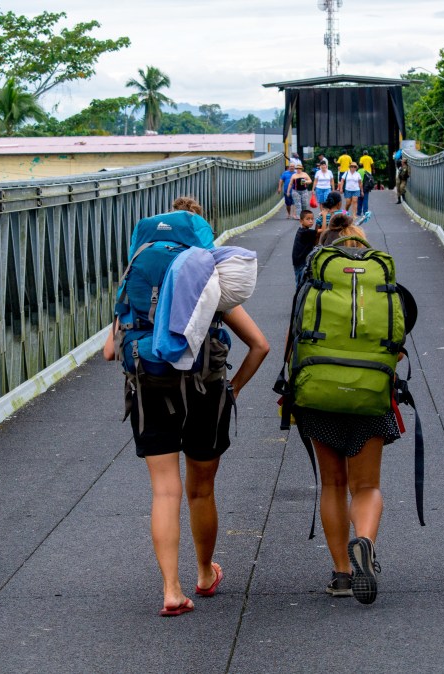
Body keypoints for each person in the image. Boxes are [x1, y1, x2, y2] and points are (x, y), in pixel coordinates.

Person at [104, 196, 271, 617]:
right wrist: (232, 390)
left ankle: (171, 589)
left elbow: (110, 351)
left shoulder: (136, 278)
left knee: (164, 489)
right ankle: (203, 572)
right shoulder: (205, 279)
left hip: (149, 384)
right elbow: (260, 346)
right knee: (201, 489)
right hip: (204, 390)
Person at [291, 215, 399, 605]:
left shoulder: (313, 280)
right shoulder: (382, 283)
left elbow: (295, 339)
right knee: (366, 486)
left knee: (333, 484)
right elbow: (398, 342)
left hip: (319, 392)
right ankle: (365, 541)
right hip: (370, 392)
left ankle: (341, 573)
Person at [291, 208, 317, 284]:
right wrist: (325, 216)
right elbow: (323, 230)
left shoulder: (302, 230)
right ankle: (298, 294)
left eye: (312, 219)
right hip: (301, 261)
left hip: (298, 260)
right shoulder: (306, 232)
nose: (311, 221)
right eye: (308, 219)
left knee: (300, 279)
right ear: (301, 221)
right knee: (300, 281)